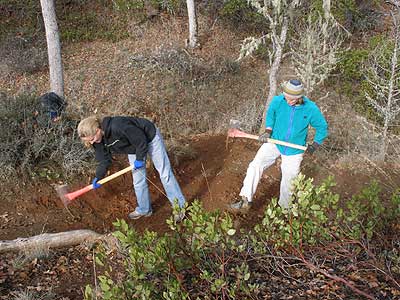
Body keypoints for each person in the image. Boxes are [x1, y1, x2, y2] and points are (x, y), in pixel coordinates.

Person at [230, 79, 328, 210]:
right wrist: (268, 130)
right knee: (255, 165)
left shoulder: (310, 108)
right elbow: (271, 113)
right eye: (287, 97)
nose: (288, 101)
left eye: (292, 99)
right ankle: (245, 200)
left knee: (289, 181)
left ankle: (284, 210)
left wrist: (315, 144)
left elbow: (322, 127)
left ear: (300, 97)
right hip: (275, 142)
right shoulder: (278, 100)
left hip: (294, 149)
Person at [77, 116, 186, 221]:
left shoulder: (118, 125)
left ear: (97, 130)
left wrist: (139, 158)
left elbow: (141, 139)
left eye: (92, 139)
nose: (91, 142)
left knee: (164, 173)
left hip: (149, 137)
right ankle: (144, 210)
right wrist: (99, 176)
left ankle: (180, 208)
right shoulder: (97, 141)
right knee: (138, 180)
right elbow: (104, 160)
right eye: (88, 141)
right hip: (133, 147)